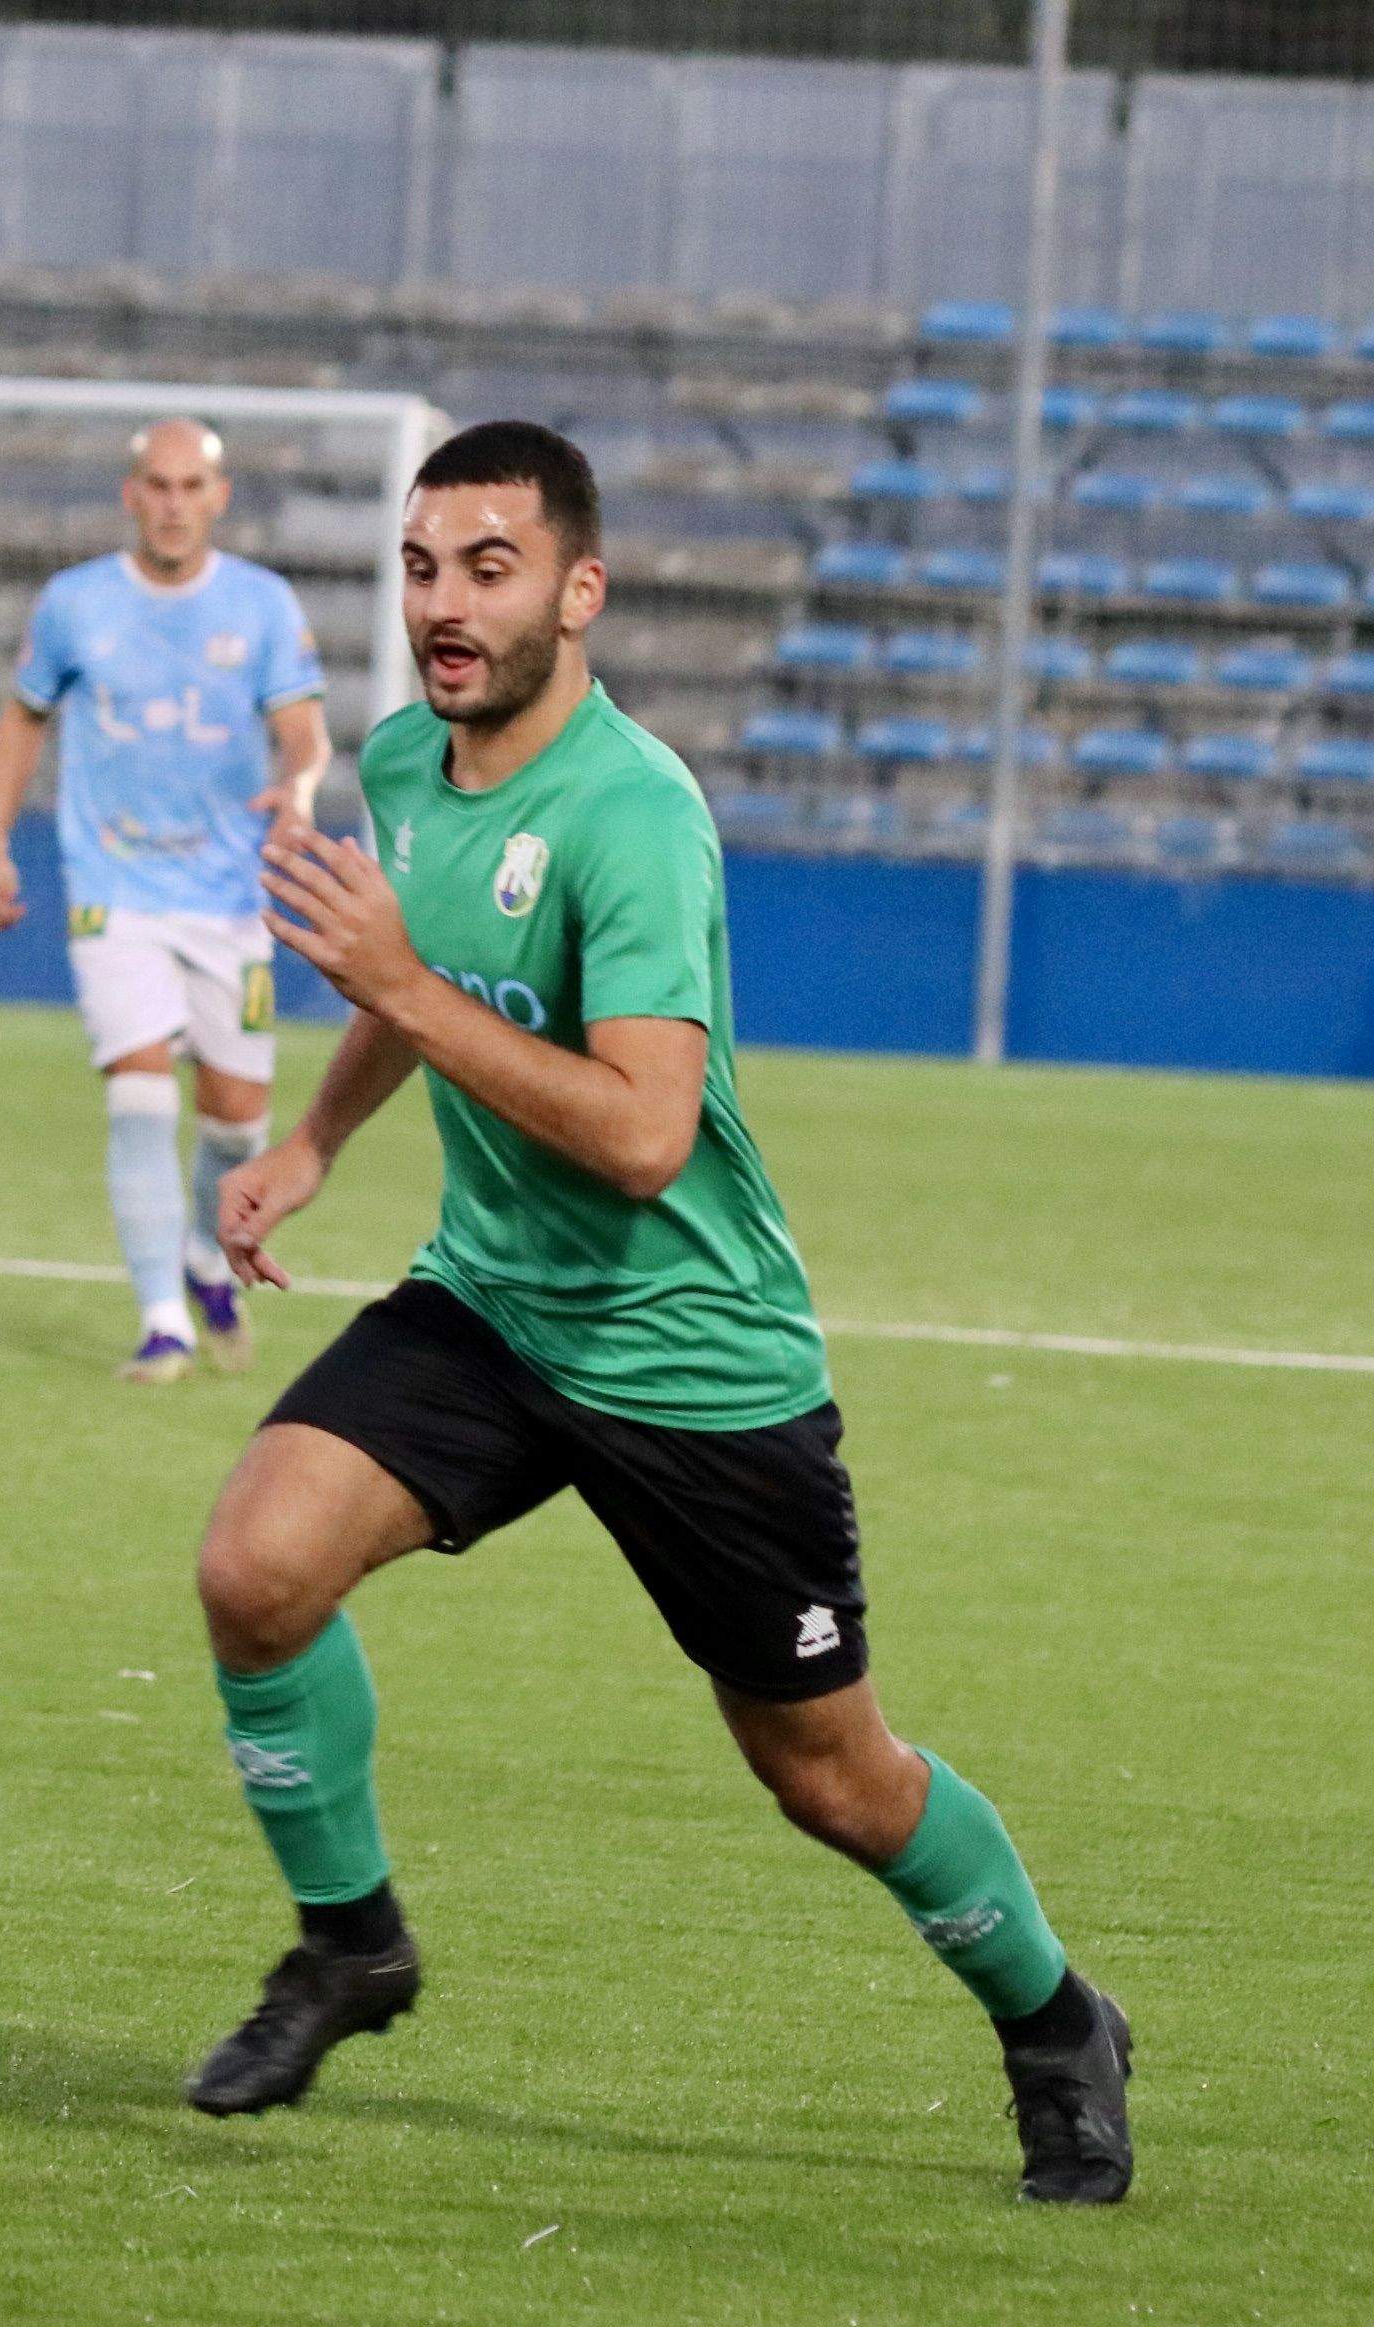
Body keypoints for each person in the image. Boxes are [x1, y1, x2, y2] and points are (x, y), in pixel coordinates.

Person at [189, 418, 1131, 2204]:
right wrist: (314, 1141)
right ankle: (349, 1947)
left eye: (486, 568)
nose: (440, 606)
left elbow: (637, 1134)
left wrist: (390, 976)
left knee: (830, 1778)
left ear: (577, 590)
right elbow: (427, 977)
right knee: (253, 1568)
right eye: (416, 565)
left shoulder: (634, 817)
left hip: (686, 1352)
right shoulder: (400, 766)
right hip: (490, 1307)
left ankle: (1049, 2018)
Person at [0, 418, 328, 1383]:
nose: (173, 505)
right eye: (156, 487)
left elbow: (304, 732)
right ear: (132, 496)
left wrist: (297, 790)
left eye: (191, 487)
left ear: (218, 497)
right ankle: (163, 1320)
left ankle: (204, 1258)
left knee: (237, 1122)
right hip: (113, 891)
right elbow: (23, 717)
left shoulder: (260, 606)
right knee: (137, 1096)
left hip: (226, 899)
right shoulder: (75, 604)